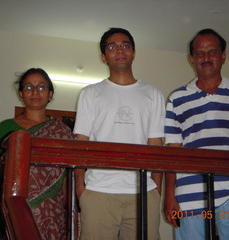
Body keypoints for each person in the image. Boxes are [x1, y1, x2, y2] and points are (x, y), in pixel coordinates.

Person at [164, 28, 229, 240]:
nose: (206, 57)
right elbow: (172, 151)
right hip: (189, 192)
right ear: (192, 59)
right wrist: (169, 195)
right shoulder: (176, 98)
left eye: (212, 52)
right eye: (200, 53)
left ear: (223, 56)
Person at [74, 27, 165, 240]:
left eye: (125, 45)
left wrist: (156, 189)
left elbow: (156, 145)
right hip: (98, 191)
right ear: (103, 57)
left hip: (144, 192)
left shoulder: (153, 94)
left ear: (134, 53)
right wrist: (81, 190)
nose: (120, 50)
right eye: (112, 47)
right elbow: (80, 144)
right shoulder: (90, 93)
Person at [0, 68, 74, 240]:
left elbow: (62, 180)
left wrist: (66, 216)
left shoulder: (62, 133)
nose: (35, 91)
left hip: (50, 213)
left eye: (41, 87)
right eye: (28, 87)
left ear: (50, 94)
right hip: (7, 210)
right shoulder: (5, 128)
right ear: (21, 94)